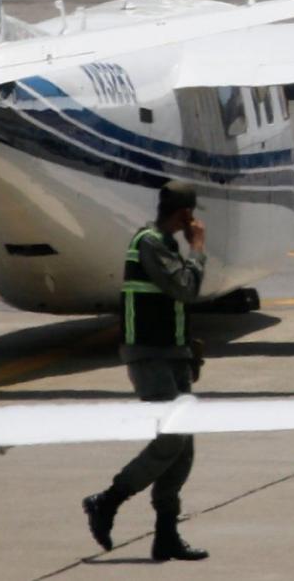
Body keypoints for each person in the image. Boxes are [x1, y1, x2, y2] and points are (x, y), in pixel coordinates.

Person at [83, 184, 209, 563]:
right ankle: (107, 500)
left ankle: (166, 534)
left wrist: (190, 350)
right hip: (149, 357)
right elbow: (186, 288)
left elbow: (173, 304)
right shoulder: (150, 243)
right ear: (184, 214)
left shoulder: (166, 246)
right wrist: (198, 248)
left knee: (183, 450)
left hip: (172, 355)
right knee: (171, 442)